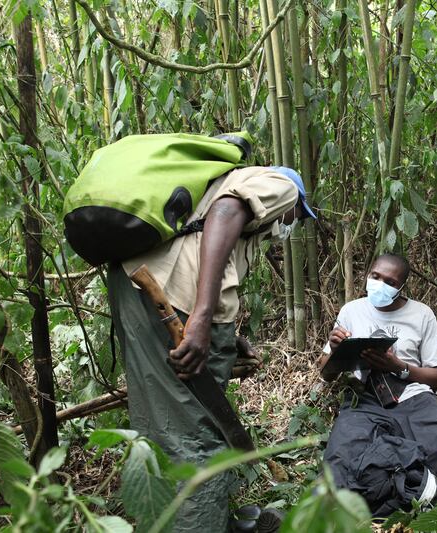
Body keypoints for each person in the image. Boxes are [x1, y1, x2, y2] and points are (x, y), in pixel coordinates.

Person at [107, 165, 316, 532]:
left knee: (161, 430)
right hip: (171, 303)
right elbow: (226, 212)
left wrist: (224, 339)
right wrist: (202, 319)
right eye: (298, 216)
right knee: (199, 440)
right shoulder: (282, 186)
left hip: (139, 289)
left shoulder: (210, 194)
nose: (291, 224)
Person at [321, 254, 437, 517]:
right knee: (341, 457)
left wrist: (399, 367)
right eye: (375, 276)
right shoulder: (351, 311)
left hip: (414, 398)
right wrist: (337, 350)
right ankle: (334, 517)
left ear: (401, 288)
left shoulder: (421, 314)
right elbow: (326, 372)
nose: (379, 284)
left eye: (389, 281)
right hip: (364, 400)